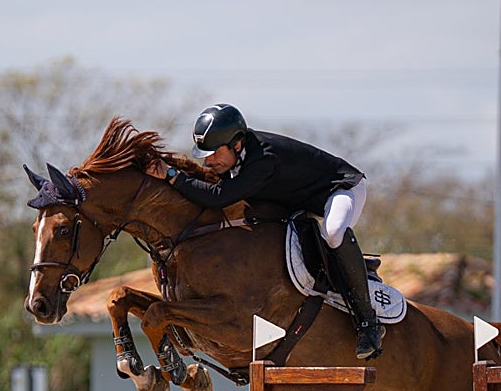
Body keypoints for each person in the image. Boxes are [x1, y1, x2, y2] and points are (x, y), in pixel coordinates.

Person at [146, 103, 385, 360]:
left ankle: (368, 323)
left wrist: (171, 174)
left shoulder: (263, 158)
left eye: (215, 153)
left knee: (334, 231)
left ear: (237, 145)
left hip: (340, 190)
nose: (208, 160)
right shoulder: (238, 159)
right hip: (300, 201)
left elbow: (218, 198)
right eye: (205, 154)